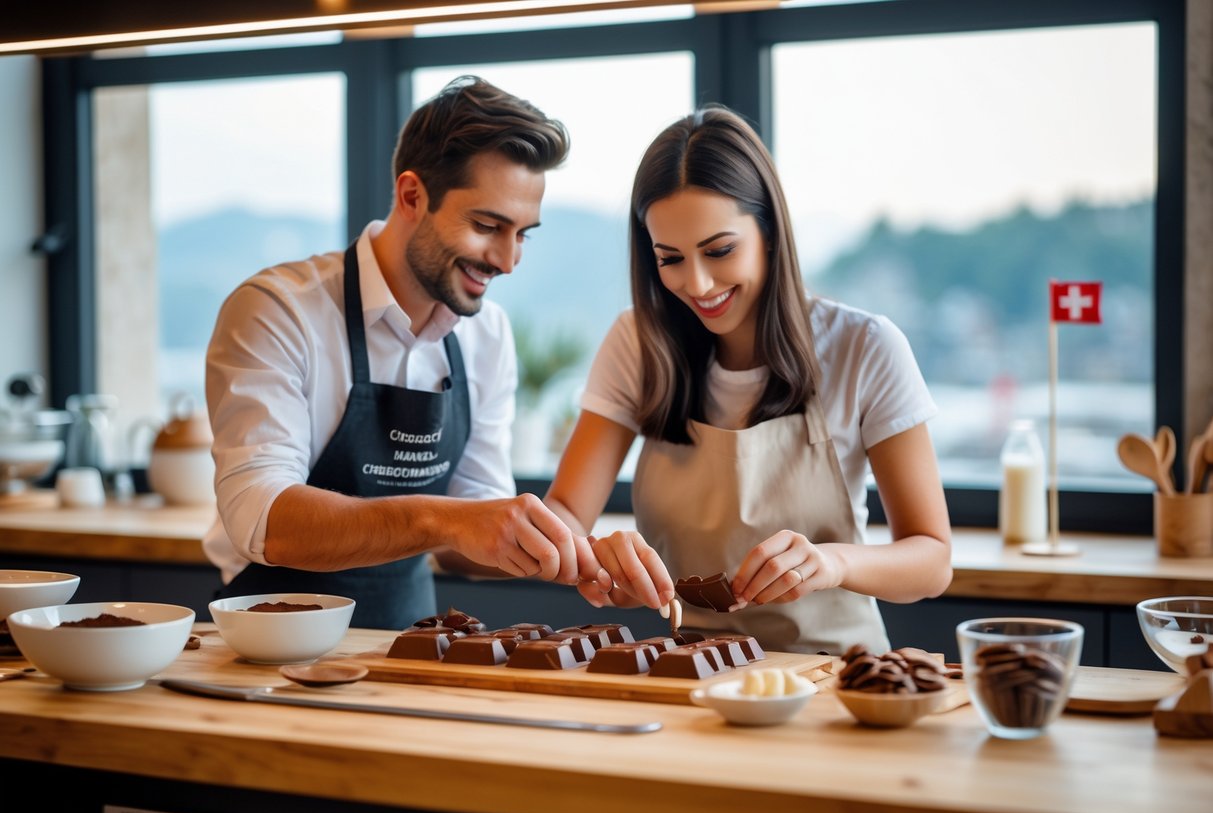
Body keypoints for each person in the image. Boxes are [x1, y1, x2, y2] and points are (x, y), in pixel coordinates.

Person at [544, 107, 952, 654]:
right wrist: (596, 555)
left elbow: (931, 560)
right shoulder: (637, 342)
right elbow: (567, 513)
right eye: (670, 259)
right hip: (687, 669)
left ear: (769, 231)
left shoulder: (866, 346)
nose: (698, 283)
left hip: (836, 675)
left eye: (720, 251)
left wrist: (832, 563)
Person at [203, 76, 604, 630]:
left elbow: (471, 538)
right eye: (488, 226)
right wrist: (443, 520)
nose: (509, 261)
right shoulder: (277, 311)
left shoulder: (486, 336)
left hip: (409, 642)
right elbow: (264, 517)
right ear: (412, 195)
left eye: (523, 234)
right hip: (272, 644)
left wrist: (573, 553)